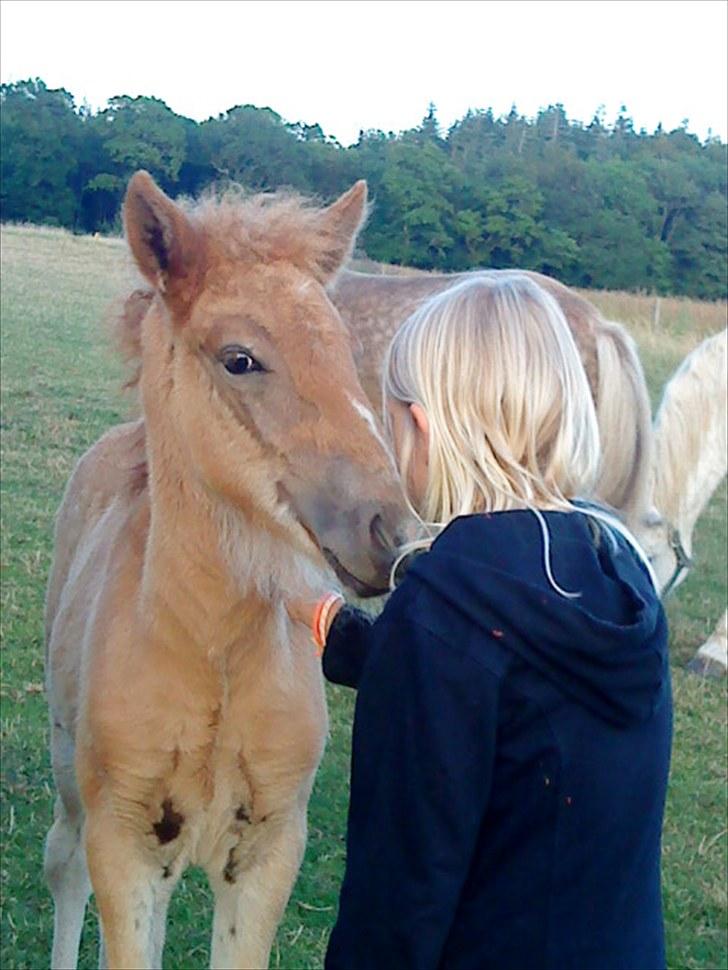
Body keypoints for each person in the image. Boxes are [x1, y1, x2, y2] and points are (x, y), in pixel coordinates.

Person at [289, 275, 672, 970]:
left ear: (425, 429)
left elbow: (397, 899)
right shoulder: (618, 566)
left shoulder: (441, 610)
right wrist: (353, 642)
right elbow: (520, 701)